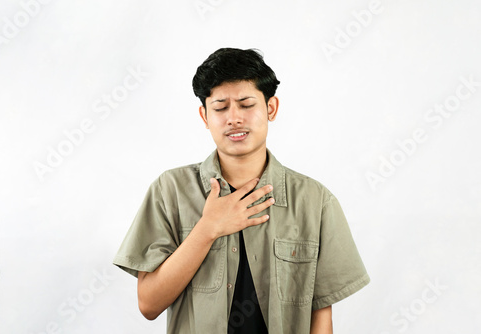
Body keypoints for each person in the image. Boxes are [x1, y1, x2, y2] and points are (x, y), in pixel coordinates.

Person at [113, 48, 370, 334]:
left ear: (271, 108)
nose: (234, 118)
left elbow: (320, 314)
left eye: (246, 105)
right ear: (204, 115)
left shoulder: (315, 201)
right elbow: (149, 304)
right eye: (221, 108)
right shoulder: (170, 190)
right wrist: (208, 228)